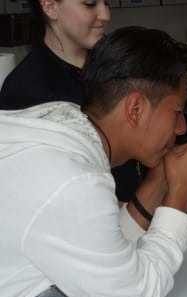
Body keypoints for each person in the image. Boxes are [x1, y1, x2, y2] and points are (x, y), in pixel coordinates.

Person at [0, 26, 187, 297]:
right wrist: (181, 195)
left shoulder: (64, 121)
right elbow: (136, 294)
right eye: (177, 112)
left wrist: (161, 179)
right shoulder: (73, 179)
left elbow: (102, 247)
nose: (181, 128)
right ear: (135, 109)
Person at [0, 0, 154, 203]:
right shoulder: (28, 89)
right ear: (50, 6)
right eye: (90, 4)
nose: (106, 15)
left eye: (106, 3)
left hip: (140, 206)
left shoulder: (114, 62)